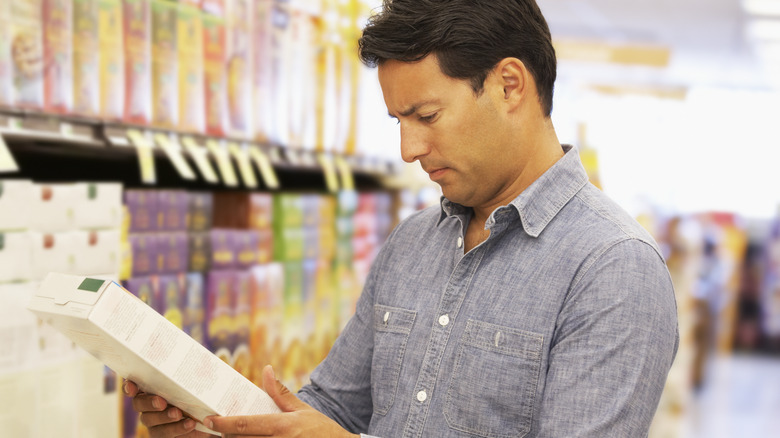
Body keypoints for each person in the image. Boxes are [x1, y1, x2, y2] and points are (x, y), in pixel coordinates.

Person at [125, 0, 679, 436]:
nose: (408, 148)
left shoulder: (614, 270)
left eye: (427, 116)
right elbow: (333, 408)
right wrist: (221, 423)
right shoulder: (414, 242)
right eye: (397, 119)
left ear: (510, 85)